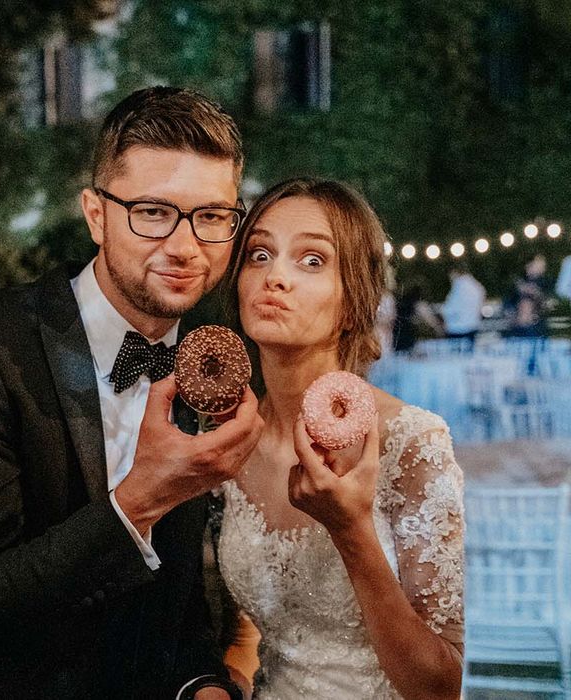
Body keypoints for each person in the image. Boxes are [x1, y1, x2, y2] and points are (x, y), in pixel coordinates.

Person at [0, 87, 264, 700]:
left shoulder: (209, 361)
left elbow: (170, 611)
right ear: (96, 215)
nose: (185, 245)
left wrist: (201, 685)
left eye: (212, 216)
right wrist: (141, 499)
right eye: (152, 211)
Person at [215, 178, 465, 699]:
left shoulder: (411, 441)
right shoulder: (230, 439)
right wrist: (223, 684)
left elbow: (441, 687)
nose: (275, 276)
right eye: (259, 254)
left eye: (311, 261)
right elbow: (243, 632)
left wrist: (351, 531)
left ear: (353, 302)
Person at [440, 261, 486, 349]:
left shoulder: (459, 285)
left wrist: (443, 312)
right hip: (473, 325)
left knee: (457, 358)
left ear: (455, 272)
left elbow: (450, 308)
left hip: (457, 328)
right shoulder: (477, 286)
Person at [504, 253, 551, 337]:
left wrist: (536, 293)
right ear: (528, 266)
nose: (542, 267)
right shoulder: (518, 285)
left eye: (542, 264)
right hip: (518, 327)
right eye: (538, 264)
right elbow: (507, 303)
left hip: (537, 328)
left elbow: (548, 303)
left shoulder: (546, 283)